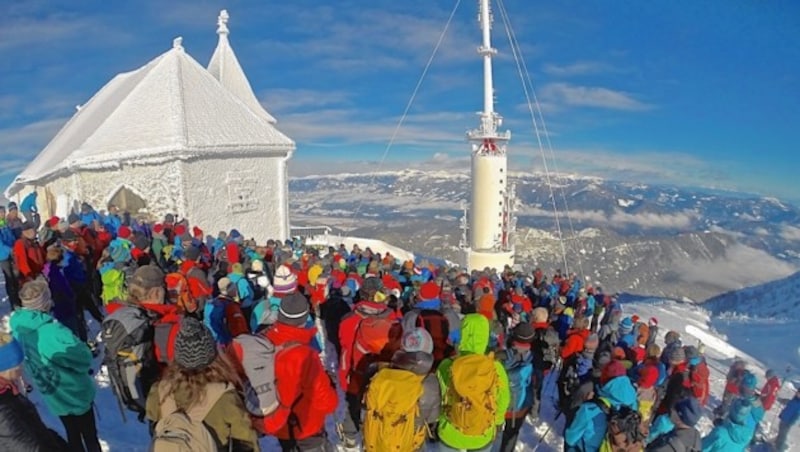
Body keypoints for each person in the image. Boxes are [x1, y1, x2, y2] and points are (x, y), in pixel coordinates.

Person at [10, 278, 101, 452]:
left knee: (72, 434)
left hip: (52, 392)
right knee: (90, 436)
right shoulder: (52, 332)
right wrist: (83, 360)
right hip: (74, 391)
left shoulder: (18, 327)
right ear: (45, 303)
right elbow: (82, 358)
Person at [146, 317, 258, 451]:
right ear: (213, 356)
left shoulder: (160, 390)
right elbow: (247, 444)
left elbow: (155, 429)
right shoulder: (225, 396)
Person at [256, 292, 337, 451]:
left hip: (278, 421)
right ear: (304, 319)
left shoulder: (261, 341)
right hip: (306, 425)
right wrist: (331, 388)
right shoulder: (306, 355)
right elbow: (326, 402)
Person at [436, 313, 510, 452]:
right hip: (482, 433)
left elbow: (439, 396)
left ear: (463, 333)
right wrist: (498, 421)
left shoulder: (447, 365)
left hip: (450, 430)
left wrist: (440, 419)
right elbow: (503, 399)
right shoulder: (495, 368)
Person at [362, 328, 441, 451]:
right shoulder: (429, 381)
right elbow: (431, 417)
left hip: (375, 441)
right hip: (408, 444)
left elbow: (364, 404)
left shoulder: (377, 370)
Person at [0, 332, 70, 450]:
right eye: (18, 365)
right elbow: (25, 446)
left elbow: (31, 426)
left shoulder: (8, 389)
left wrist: (57, 442)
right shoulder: (3, 409)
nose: (22, 368)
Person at [775, 384, 799, 451]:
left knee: (782, 436)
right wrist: (780, 399)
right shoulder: (795, 399)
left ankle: (779, 448)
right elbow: (788, 402)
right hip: (783, 418)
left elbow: (796, 416)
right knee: (780, 432)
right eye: (797, 392)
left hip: (787, 422)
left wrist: (790, 423)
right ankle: (776, 444)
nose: (797, 393)